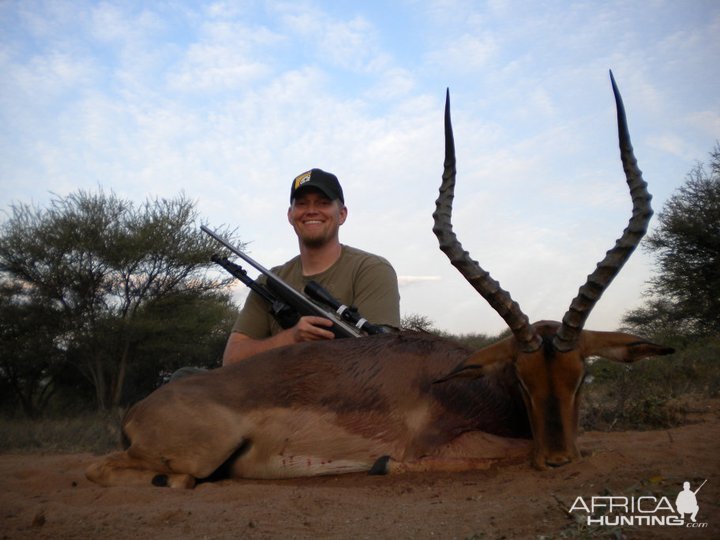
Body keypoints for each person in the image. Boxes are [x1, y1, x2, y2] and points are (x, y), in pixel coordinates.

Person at [222, 168, 401, 365]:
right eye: (302, 204)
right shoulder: (269, 279)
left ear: (342, 214)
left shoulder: (372, 269)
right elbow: (231, 359)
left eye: (323, 203)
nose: (311, 210)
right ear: (290, 215)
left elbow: (381, 359)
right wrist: (290, 339)